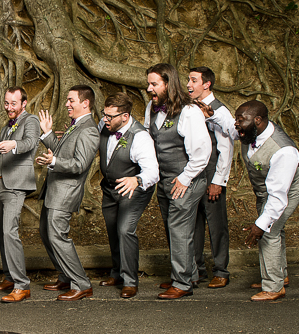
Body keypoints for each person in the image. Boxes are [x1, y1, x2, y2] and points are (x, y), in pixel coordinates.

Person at [202, 100, 299, 301]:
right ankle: (279, 275)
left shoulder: (283, 151)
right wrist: (213, 114)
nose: (237, 124)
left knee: (269, 231)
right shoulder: (250, 131)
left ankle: (274, 287)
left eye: (241, 120)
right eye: (237, 119)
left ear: (258, 120)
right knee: (273, 230)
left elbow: (277, 197)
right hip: (266, 191)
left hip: (286, 191)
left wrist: (261, 224)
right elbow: (230, 127)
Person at [144, 63, 211, 300]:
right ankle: (188, 273)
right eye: (149, 83)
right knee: (172, 228)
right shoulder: (151, 108)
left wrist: (183, 179)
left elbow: (202, 153)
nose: (149, 88)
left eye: (154, 84)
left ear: (168, 84)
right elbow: (147, 139)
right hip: (164, 180)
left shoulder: (189, 112)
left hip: (187, 179)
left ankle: (182, 283)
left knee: (179, 228)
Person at [36, 85, 100, 301]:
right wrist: (47, 133)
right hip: (54, 189)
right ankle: (65, 275)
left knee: (57, 236)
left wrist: (53, 161)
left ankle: (81, 283)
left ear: (85, 103)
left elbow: (80, 164)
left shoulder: (89, 129)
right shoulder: (76, 126)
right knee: (46, 232)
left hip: (65, 193)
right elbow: (63, 151)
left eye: (71, 100)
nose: (66, 104)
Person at [97, 92, 159, 298]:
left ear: (124, 116)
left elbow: (152, 172)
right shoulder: (106, 125)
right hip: (109, 189)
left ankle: (130, 280)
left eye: (110, 116)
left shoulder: (140, 136)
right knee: (113, 230)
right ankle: (117, 273)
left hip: (133, 190)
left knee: (125, 230)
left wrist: (137, 180)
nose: (105, 119)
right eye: (104, 115)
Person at [0, 87, 41, 303]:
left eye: (13, 103)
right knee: (2, 233)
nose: (9, 107)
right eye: (6, 102)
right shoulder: (5, 128)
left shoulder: (31, 121)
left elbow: (31, 143)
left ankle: (22, 285)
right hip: (0, 185)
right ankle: (9, 278)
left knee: (10, 232)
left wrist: (14, 144)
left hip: (15, 186)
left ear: (24, 103)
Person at [187, 67, 234, 289]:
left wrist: (218, 181)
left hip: (212, 174)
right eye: (188, 80)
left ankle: (221, 271)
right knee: (194, 224)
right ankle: (196, 270)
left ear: (206, 84)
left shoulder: (219, 111)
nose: (189, 84)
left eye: (193, 80)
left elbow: (226, 147)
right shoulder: (189, 108)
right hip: (193, 174)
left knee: (217, 225)